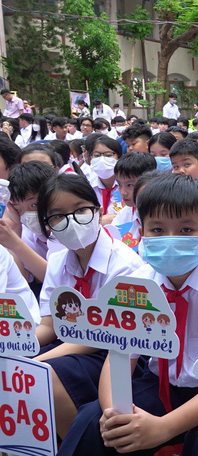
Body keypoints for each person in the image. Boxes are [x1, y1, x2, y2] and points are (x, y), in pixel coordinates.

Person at [58, 173, 198, 455]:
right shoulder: (137, 285)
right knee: (93, 420)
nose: (170, 240)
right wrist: (113, 412)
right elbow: (119, 356)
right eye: (157, 230)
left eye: (185, 230)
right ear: (141, 230)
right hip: (163, 384)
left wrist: (164, 428)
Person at [32, 173, 143, 437]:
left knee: (44, 373)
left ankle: (83, 443)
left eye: (80, 210)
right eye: (58, 215)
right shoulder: (58, 261)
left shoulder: (125, 264)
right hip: (70, 346)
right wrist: (19, 348)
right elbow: (49, 325)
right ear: (48, 225)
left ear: (98, 210)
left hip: (116, 353)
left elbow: (104, 335)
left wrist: (37, 361)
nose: (71, 221)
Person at [107, 153, 158, 252]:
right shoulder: (124, 214)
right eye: (119, 184)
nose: (123, 192)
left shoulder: (165, 214)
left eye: (130, 185)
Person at [88, 136, 125, 222]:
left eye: (108, 155)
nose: (101, 160)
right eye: (96, 155)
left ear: (119, 158)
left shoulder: (128, 186)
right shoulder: (87, 187)